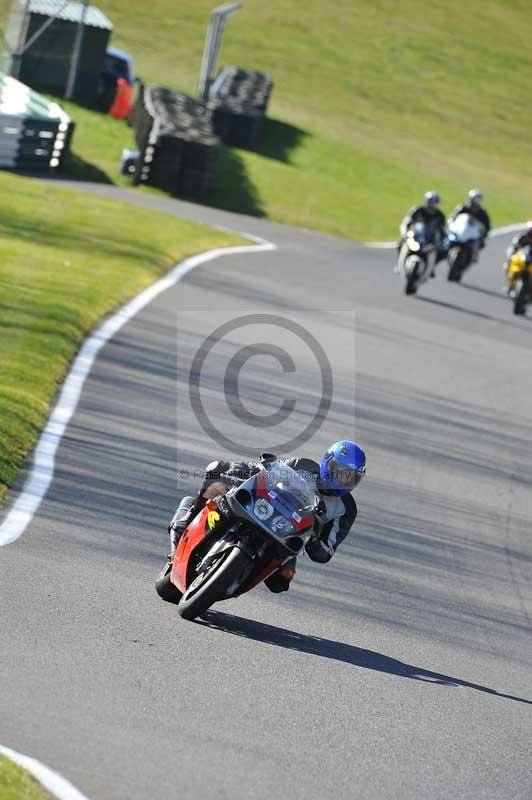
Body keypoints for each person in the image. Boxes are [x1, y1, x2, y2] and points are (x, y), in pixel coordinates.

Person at [168, 440, 366, 593]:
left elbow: (327, 551)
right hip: (260, 508)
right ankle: (188, 517)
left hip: (286, 538)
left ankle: (234, 577)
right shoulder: (302, 465)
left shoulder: (347, 509)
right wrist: (243, 470)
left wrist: (314, 539)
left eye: (349, 477)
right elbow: (266, 471)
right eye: (338, 472)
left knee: (281, 580)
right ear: (327, 463)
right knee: (217, 470)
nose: (342, 480)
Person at [397, 191, 447, 275]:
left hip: (430, 239)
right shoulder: (417, 210)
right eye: (429, 202)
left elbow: (442, 231)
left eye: (433, 203)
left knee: (443, 252)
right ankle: (400, 265)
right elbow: (406, 223)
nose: (431, 205)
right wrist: (404, 233)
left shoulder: (440, 215)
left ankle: (431, 267)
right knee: (400, 244)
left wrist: (442, 242)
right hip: (415, 236)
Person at [449, 189, 491, 262]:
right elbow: (453, 217)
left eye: (475, 203)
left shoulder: (482, 213)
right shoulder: (463, 208)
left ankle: (473, 255)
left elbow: (487, 226)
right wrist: (451, 224)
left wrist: (483, 235)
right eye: (472, 202)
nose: (473, 205)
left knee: (480, 243)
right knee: (448, 240)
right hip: (461, 231)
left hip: (472, 234)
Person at [504, 221, 532, 296]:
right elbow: (514, 247)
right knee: (511, 261)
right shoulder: (523, 237)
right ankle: (510, 285)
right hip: (522, 261)